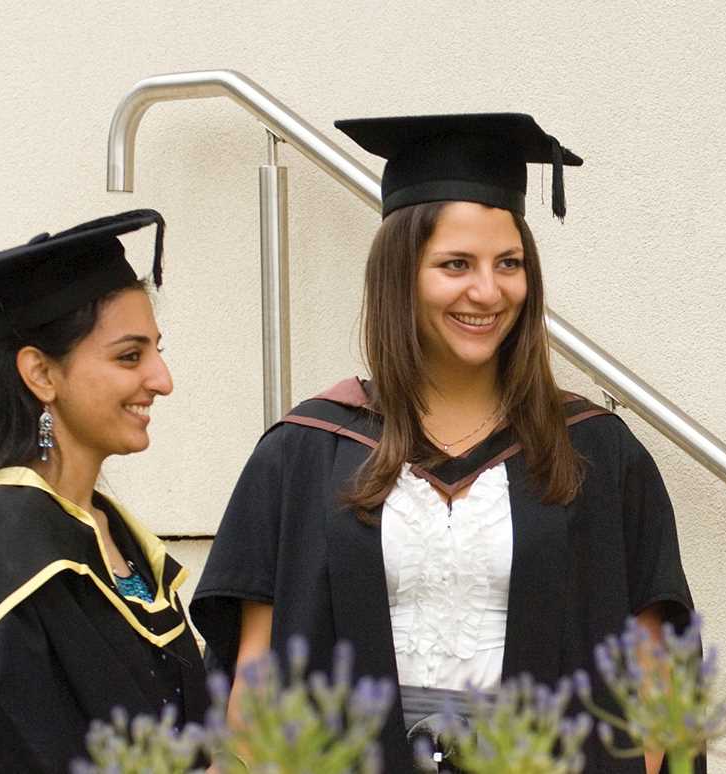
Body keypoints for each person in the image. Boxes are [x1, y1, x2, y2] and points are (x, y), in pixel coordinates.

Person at [192, 114, 698, 773]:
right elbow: (254, 692)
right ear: (400, 274)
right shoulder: (305, 452)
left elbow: (653, 686)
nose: (487, 291)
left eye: (508, 264)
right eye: (455, 264)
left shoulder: (596, 454)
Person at [0, 211, 208, 773]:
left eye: (157, 350)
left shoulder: (107, 530)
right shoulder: (4, 546)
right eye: (130, 356)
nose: (162, 379)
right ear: (41, 374)